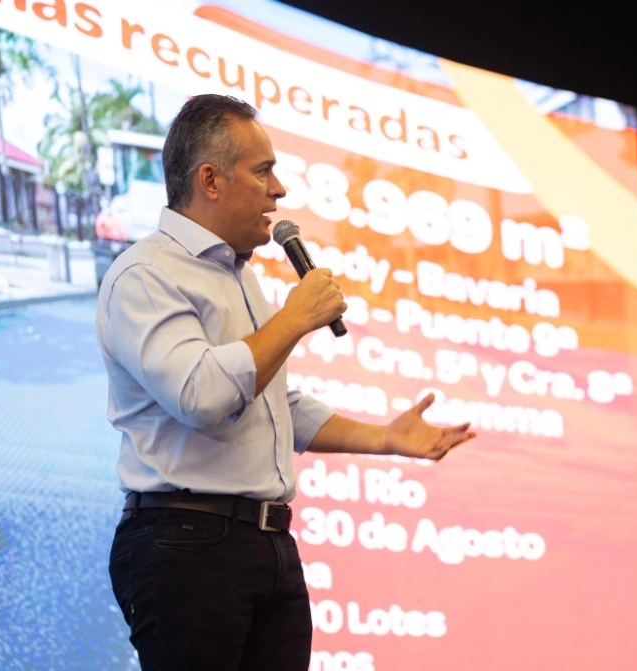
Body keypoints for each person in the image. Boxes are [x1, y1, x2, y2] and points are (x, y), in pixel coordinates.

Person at [96, 93, 476, 671]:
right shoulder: (147, 274)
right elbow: (201, 395)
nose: (279, 191)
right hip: (187, 544)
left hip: (267, 544)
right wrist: (296, 318)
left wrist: (385, 438)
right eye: (263, 171)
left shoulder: (237, 276)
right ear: (210, 180)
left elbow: (273, 404)